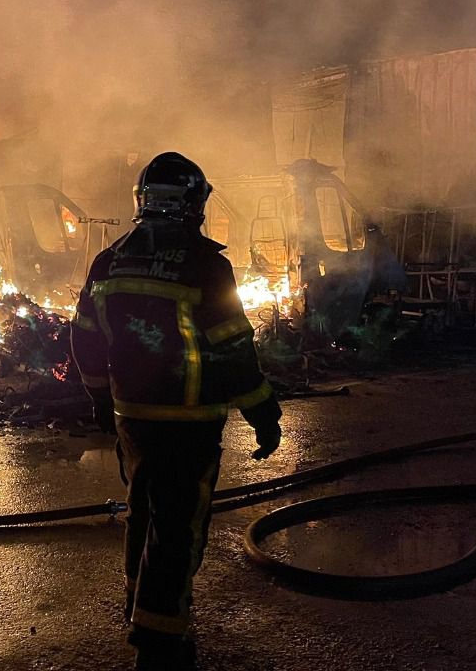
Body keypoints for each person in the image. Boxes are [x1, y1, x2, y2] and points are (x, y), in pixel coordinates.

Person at [70, 152, 282, 669]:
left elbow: (84, 337)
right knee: (178, 527)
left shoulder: (109, 259)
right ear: (193, 202)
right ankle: (160, 644)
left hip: (132, 417)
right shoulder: (206, 264)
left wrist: (100, 399)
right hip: (189, 420)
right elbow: (233, 348)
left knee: (143, 512)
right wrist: (262, 411)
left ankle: (138, 610)